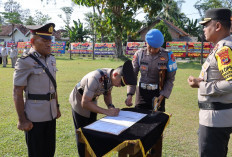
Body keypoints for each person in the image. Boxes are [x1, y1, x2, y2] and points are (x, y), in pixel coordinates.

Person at [125, 29, 177, 156]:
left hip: (158, 95)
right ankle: (138, 153)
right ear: (146, 42)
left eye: (156, 48)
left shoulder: (169, 56)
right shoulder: (139, 54)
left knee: (157, 127)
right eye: (151, 47)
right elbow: (132, 76)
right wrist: (130, 94)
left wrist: (163, 95)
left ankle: (155, 153)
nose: (153, 50)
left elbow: (170, 79)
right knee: (139, 125)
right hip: (141, 94)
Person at [187, 8, 232, 157]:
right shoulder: (221, 47)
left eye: (206, 25)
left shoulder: (224, 49)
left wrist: (201, 85)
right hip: (216, 117)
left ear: (218, 26)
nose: (204, 29)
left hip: (216, 120)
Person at [69, 60, 137, 157]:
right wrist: (107, 112)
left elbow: (107, 93)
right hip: (79, 100)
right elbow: (85, 103)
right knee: (82, 133)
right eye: (121, 83)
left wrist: (111, 107)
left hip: (91, 99)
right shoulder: (95, 78)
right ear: (116, 74)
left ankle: (91, 153)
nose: (120, 86)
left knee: (92, 130)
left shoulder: (110, 78)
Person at [13, 23, 61, 157]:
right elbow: (17, 92)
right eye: (44, 41)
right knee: (37, 153)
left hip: (51, 114)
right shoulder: (25, 61)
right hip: (34, 117)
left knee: (50, 151)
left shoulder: (51, 59)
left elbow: (53, 86)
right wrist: (22, 120)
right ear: (33, 41)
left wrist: (56, 106)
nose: (48, 44)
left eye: (49, 41)